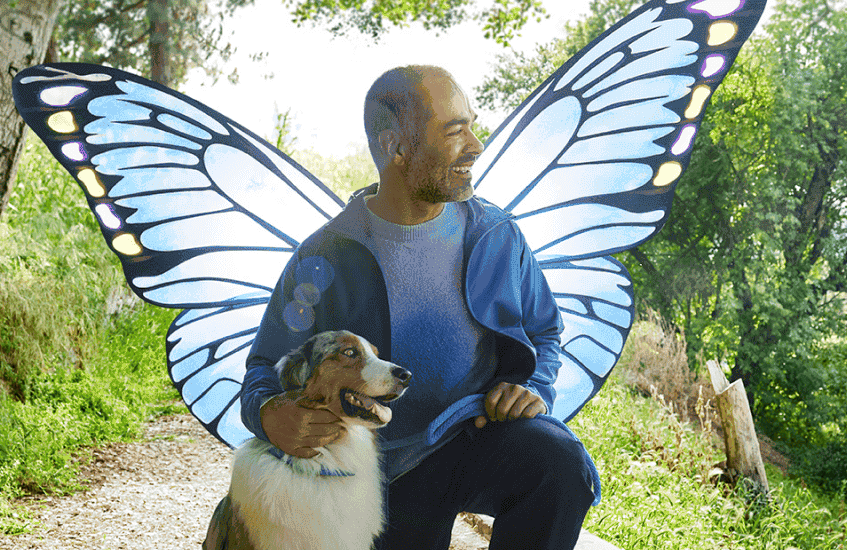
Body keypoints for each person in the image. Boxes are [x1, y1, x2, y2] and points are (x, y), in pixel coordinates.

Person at [235, 65, 599, 550]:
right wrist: (269, 415)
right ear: (396, 147)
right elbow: (265, 365)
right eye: (454, 131)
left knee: (559, 463)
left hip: (477, 434)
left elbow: (545, 332)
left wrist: (531, 387)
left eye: (472, 126)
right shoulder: (323, 257)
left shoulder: (497, 235)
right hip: (381, 469)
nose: (476, 146)